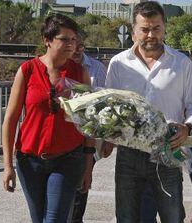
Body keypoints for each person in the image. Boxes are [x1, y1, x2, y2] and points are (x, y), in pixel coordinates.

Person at [103, 1, 192, 222]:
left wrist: (187, 128)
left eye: (156, 28)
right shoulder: (118, 64)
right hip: (128, 156)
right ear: (133, 32)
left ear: (164, 28)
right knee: (126, 217)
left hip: (168, 153)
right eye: (144, 29)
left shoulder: (181, 63)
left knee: (172, 216)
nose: (151, 34)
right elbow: (109, 108)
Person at [1, 14, 94, 223]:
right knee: (39, 219)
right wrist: (8, 166)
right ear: (47, 40)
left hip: (69, 159)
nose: (71, 44)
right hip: (30, 161)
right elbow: (11, 119)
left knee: (53, 220)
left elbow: (87, 123)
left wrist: (88, 165)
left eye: (74, 39)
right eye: (64, 39)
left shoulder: (81, 74)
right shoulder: (28, 70)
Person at [69, 35, 107, 223]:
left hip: (88, 136)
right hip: (62, 137)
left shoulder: (97, 68)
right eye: (73, 46)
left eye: (81, 46)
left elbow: (105, 104)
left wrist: (108, 140)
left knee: (81, 185)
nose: (77, 51)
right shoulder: (57, 66)